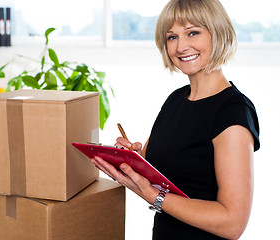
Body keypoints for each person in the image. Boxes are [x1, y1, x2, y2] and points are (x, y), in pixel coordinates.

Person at [91, 0, 260, 239]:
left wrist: (154, 197)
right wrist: (132, 160)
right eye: (172, 37)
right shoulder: (176, 99)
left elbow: (233, 223)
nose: (181, 47)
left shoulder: (232, 111)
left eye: (193, 33)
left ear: (218, 33)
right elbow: (163, 171)